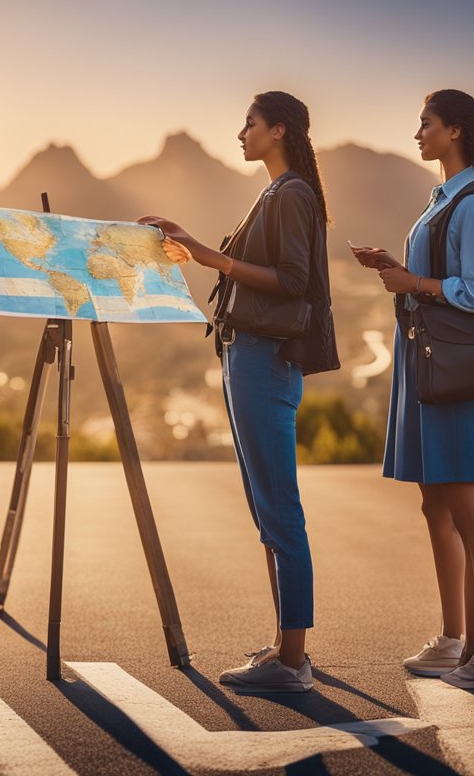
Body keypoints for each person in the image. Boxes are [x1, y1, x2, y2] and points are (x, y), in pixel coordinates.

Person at [141, 91, 338, 693]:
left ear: (278, 130)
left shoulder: (294, 194)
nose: (240, 133)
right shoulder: (278, 192)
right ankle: (285, 645)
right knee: (265, 510)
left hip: (264, 360)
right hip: (244, 355)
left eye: (249, 123)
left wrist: (205, 255)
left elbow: (292, 282)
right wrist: (195, 243)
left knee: (280, 509)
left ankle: (294, 661)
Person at [353, 89, 474, 689]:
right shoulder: (442, 199)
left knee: (467, 510)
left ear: (455, 131)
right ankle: (453, 640)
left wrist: (410, 280)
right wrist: (398, 270)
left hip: (453, 373)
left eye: (426, 124)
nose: (417, 133)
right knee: (435, 505)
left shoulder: (473, 204)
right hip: (428, 365)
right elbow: (438, 280)